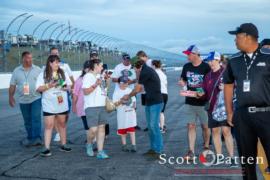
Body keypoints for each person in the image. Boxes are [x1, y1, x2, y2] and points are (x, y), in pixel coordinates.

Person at [224, 23, 270, 179]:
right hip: (242, 116)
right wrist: (230, 111)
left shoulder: (268, 56)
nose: (235, 41)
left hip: (267, 115)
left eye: (237, 37)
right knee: (246, 161)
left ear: (248, 37)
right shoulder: (234, 60)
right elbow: (228, 85)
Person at [121, 51, 164, 160]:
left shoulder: (145, 71)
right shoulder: (144, 71)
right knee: (150, 127)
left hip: (156, 102)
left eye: (134, 67)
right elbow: (139, 84)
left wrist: (128, 96)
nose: (134, 70)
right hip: (150, 101)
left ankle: (158, 150)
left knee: (154, 126)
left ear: (138, 65)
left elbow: (138, 88)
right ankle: (153, 149)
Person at [198, 51, 236, 167]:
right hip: (211, 108)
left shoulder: (226, 73)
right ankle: (219, 156)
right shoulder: (207, 76)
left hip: (225, 108)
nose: (210, 63)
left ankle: (231, 158)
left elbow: (236, 86)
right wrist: (198, 93)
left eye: (212, 60)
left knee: (226, 131)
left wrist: (225, 87)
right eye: (208, 61)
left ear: (218, 60)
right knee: (215, 131)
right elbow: (204, 92)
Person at [179, 45, 211, 160]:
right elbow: (183, 78)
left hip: (203, 103)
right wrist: (182, 83)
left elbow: (209, 84)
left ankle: (206, 146)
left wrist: (201, 92)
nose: (187, 56)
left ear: (196, 54)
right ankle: (191, 151)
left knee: (205, 127)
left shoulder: (206, 67)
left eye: (189, 54)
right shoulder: (186, 66)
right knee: (191, 126)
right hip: (189, 101)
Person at [36, 55, 72, 157]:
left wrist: (65, 87)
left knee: (62, 124)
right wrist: (49, 85)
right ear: (50, 63)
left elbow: (69, 85)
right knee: (49, 125)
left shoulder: (62, 72)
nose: (58, 64)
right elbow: (38, 88)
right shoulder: (43, 74)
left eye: (58, 62)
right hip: (49, 104)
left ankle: (63, 144)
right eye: (56, 62)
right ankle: (47, 148)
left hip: (61, 103)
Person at [9, 51, 42, 147]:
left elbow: (43, 82)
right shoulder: (16, 71)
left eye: (31, 58)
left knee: (36, 118)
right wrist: (10, 97)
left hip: (36, 98)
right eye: (28, 57)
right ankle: (30, 137)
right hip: (23, 100)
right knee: (27, 120)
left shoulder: (37, 69)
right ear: (23, 59)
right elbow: (12, 85)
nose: (30, 59)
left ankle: (37, 138)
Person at [82, 58, 109, 159]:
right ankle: (89, 144)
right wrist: (95, 84)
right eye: (101, 66)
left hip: (102, 105)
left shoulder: (99, 76)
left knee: (101, 128)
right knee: (93, 129)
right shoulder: (88, 76)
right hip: (91, 106)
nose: (102, 67)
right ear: (96, 65)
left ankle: (100, 151)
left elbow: (104, 90)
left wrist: (106, 80)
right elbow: (85, 92)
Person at [50, 47, 74, 142]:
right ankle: (58, 133)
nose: (55, 55)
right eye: (53, 53)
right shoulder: (46, 67)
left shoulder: (65, 65)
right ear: (50, 55)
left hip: (64, 93)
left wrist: (73, 90)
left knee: (65, 113)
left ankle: (62, 127)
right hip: (52, 95)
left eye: (57, 53)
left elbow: (72, 79)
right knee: (55, 114)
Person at [111, 53, 141, 130]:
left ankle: (133, 124)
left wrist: (130, 82)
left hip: (131, 91)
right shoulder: (118, 67)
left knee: (133, 107)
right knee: (121, 107)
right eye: (126, 60)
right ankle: (122, 123)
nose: (127, 61)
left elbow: (136, 79)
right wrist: (121, 80)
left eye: (128, 60)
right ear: (123, 59)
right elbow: (113, 79)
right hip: (120, 91)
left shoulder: (132, 66)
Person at [72, 60, 94, 156]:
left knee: (94, 126)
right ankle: (90, 144)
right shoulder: (79, 80)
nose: (89, 70)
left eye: (91, 68)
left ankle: (93, 142)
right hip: (83, 107)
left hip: (93, 106)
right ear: (84, 69)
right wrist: (74, 106)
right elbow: (75, 95)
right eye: (87, 68)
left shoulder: (95, 79)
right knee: (87, 127)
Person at [113, 76, 137, 152]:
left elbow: (134, 101)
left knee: (131, 130)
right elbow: (114, 104)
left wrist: (133, 105)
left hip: (130, 114)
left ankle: (134, 145)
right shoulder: (116, 92)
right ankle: (124, 145)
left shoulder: (130, 90)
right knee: (122, 130)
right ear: (119, 83)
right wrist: (121, 101)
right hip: (121, 114)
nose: (124, 84)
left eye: (126, 83)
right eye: (122, 83)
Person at [152, 60, 168, 133]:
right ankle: (162, 126)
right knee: (161, 111)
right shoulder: (163, 74)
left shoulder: (154, 73)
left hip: (158, 94)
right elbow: (165, 84)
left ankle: (160, 127)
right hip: (165, 93)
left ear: (154, 66)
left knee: (156, 111)